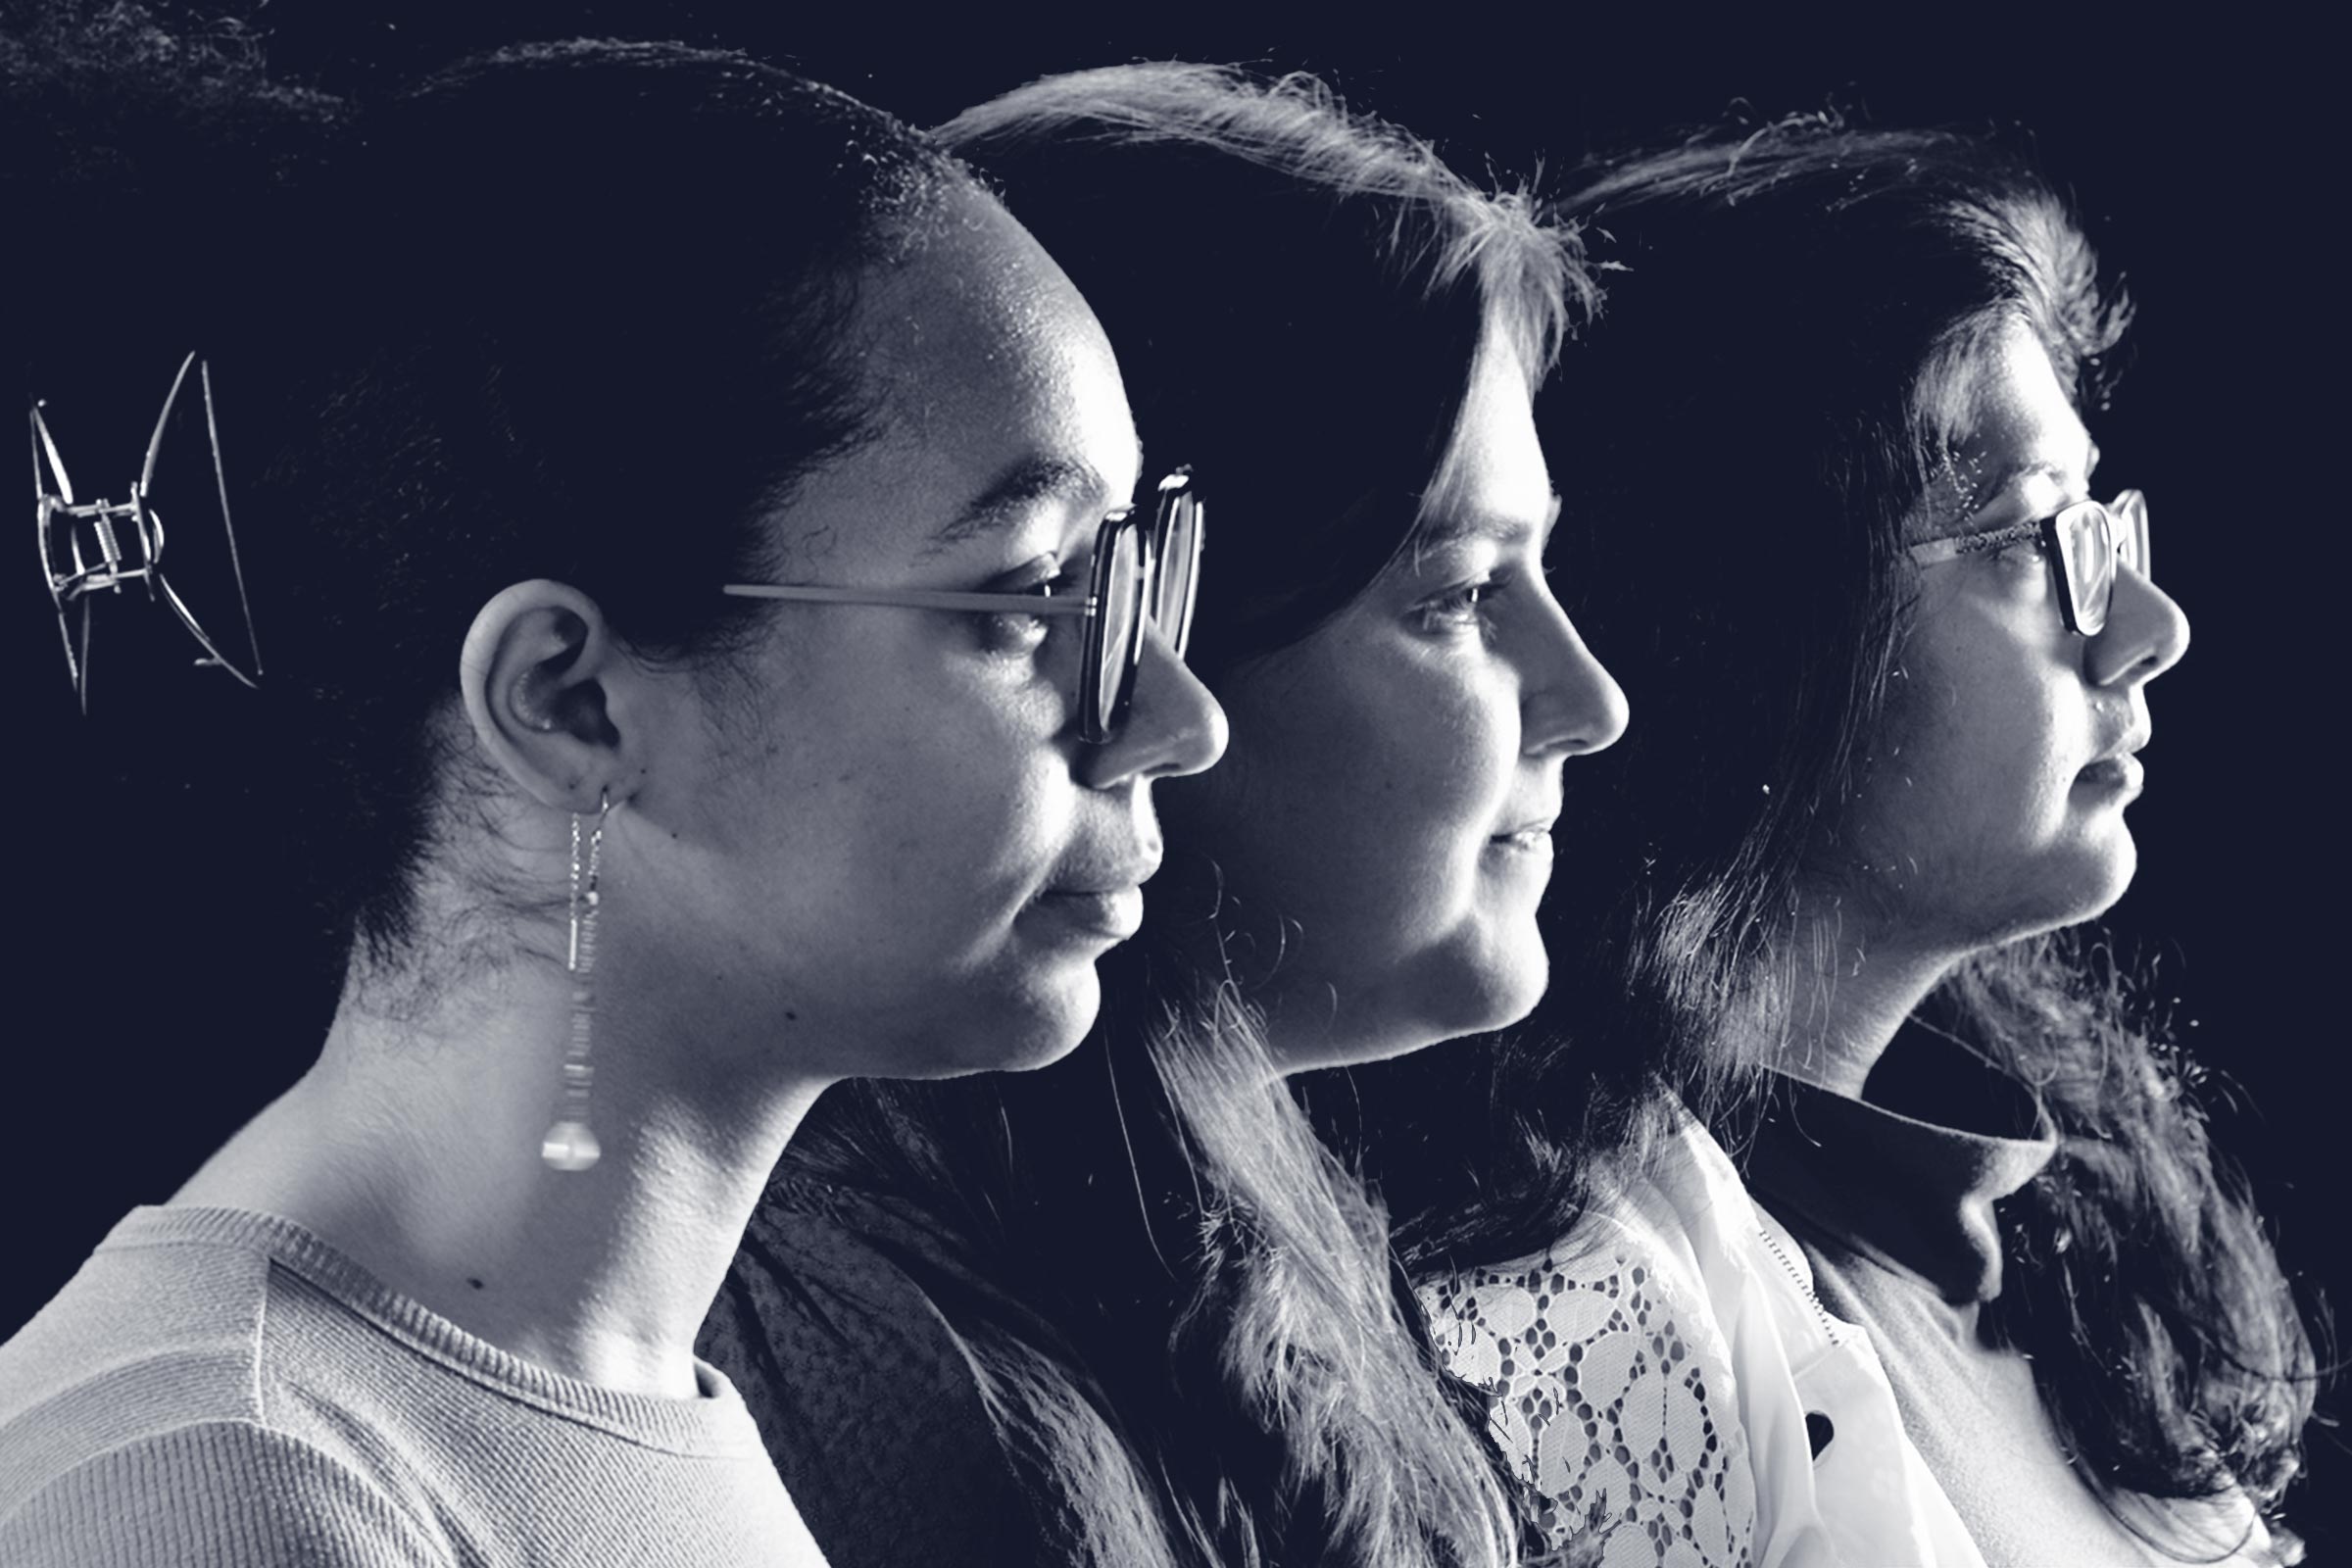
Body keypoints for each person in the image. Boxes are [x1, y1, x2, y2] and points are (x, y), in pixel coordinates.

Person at [0, 24, 1224, 1566]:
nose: (1181, 721)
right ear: (568, 703)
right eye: (1036, 591)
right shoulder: (221, 1494)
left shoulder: (616, 1397)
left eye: (1131, 570)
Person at [701, 63, 1628, 1568]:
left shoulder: (1232, 1238)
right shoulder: (919, 1397)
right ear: (1144, 626)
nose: (1592, 699)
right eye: (1459, 596)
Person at [1373, 120, 2314, 1566]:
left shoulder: (2065, 1233)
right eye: (2036, 538)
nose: (2150, 627)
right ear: (1750, 621)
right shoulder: (1575, 1307)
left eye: (2105, 529)